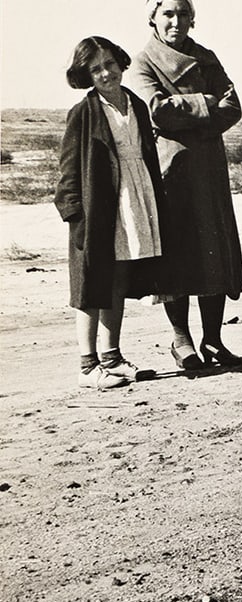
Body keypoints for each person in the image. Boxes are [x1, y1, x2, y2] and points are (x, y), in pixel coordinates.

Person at [129, 0, 242, 370]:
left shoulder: (206, 57)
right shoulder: (144, 62)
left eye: (183, 14)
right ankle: (181, 340)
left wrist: (192, 111)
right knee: (177, 255)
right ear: (153, 18)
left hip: (209, 168)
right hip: (171, 170)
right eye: (167, 14)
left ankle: (213, 339)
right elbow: (157, 112)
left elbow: (234, 107)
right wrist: (205, 105)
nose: (176, 21)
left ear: (192, 18)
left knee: (213, 254)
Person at [54, 37, 166, 389]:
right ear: (86, 75)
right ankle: (87, 368)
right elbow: (68, 173)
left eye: (110, 64)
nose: (106, 73)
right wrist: (75, 216)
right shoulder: (83, 113)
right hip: (98, 209)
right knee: (91, 285)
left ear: (120, 62)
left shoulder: (136, 104)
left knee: (117, 279)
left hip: (135, 201)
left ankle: (111, 358)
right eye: (96, 69)